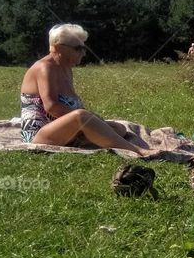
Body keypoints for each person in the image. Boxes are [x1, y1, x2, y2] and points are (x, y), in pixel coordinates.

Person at [20, 23, 162, 158]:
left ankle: (87, 139)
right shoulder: (45, 68)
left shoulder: (66, 69)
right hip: (39, 135)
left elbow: (71, 105)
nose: (83, 53)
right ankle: (137, 150)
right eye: (78, 48)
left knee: (119, 129)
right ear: (58, 48)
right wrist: (87, 117)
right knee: (82, 116)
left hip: (62, 130)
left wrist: (93, 121)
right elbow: (52, 106)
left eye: (84, 48)